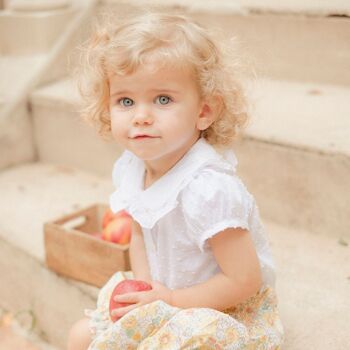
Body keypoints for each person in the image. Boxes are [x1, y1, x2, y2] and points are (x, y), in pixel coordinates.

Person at [67, 11, 284, 350]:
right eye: (126, 100)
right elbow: (139, 232)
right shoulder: (134, 167)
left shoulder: (208, 189)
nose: (141, 116)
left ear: (204, 112)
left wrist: (170, 299)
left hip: (218, 308)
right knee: (80, 336)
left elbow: (243, 280)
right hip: (166, 297)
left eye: (163, 99)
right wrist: (146, 291)